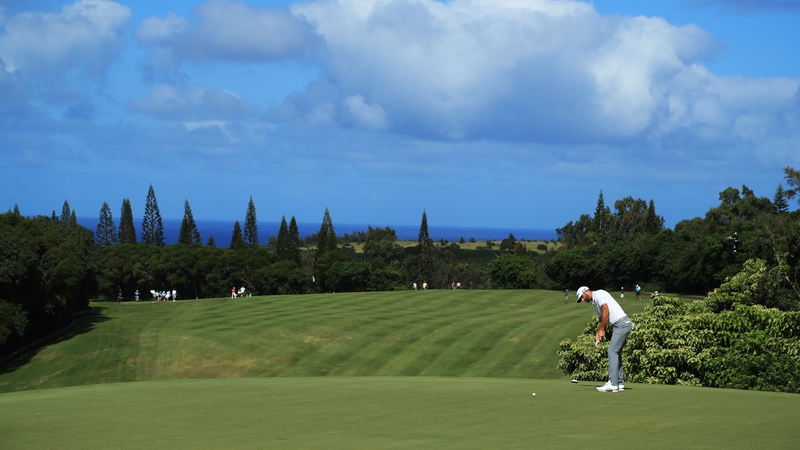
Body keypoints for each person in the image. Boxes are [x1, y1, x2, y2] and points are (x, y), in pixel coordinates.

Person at [576, 286, 634, 393]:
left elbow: (606, 311)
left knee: (612, 351)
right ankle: (619, 383)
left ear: (586, 291)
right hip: (619, 326)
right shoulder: (595, 304)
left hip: (621, 324)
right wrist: (600, 333)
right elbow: (602, 319)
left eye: (582, 297)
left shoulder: (599, 294)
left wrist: (601, 330)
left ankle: (613, 383)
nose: (583, 300)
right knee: (616, 352)